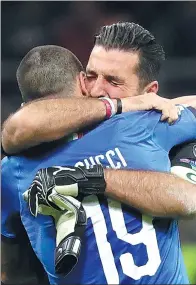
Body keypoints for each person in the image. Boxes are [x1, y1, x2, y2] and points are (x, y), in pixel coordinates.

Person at [1, 22, 196, 284]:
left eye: (114, 82)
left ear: (148, 94)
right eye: (92, 76)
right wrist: (125, 104)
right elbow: (17, 129)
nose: (96, 91)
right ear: (81, 80)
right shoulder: (144, 123)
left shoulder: (13, 170)